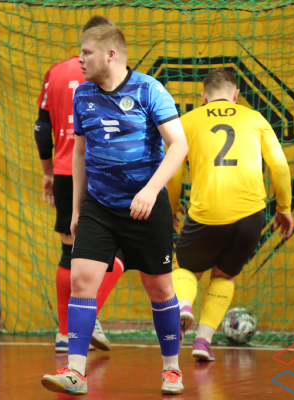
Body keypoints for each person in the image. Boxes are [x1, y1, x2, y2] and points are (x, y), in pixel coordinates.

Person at [41, 24, 189, 396]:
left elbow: (179, 145)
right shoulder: (83, 94)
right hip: (99, 206)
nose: (79, 59)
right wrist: (77, 208)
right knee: (81, 280)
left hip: (145, 207)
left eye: (86, 52)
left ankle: (172, 370)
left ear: (110, 55)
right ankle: (76, 372)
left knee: (160, 287)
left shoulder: (149, 89)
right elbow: (79, 152)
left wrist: (151, 190)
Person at [167, 68, 293, 361]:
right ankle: (203, 341)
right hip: (251, 214)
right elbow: (280, 167)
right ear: (236, 95)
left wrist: (172, 207)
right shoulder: (255, 118)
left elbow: (173, 174)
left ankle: (184, 305)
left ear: (203, 96)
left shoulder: (186, 122)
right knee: (225, 274)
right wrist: (284, 209)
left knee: (185, 268)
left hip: (207, 211)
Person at [34, 16, 124, 354]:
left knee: (70, 250)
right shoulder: (112, 70)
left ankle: (65, 332)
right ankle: (86, 317)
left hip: (64, 170)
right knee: (123, 247)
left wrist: (48, 172)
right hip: (104, 170)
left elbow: (41, 128)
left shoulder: (56, 72)